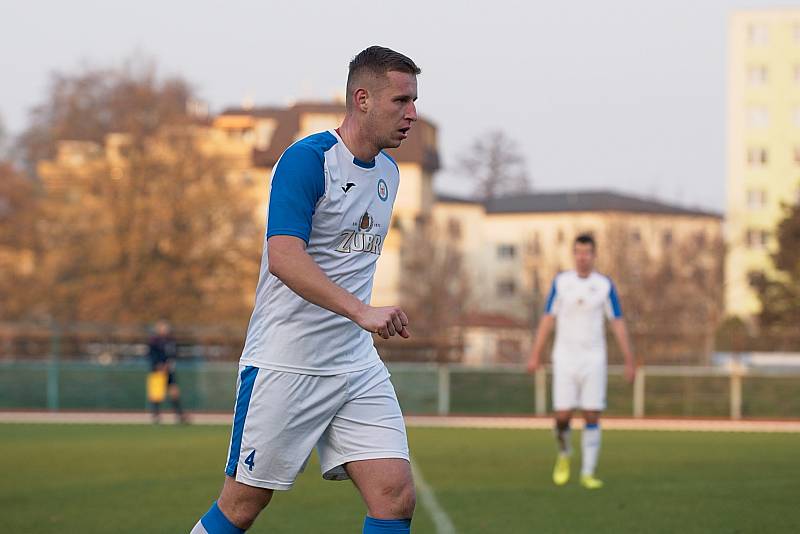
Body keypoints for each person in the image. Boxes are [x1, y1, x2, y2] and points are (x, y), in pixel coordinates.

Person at [190, 46, 420, 534]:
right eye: (401, 101)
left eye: (413, 101)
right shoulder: (306, 161)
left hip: (355, 364)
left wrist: (364, 320)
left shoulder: (389, 174)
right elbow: (285, 259)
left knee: (394, 496)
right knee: (241, 507)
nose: (412, 115)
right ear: (362, 99)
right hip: (285, 363)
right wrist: (362, 311)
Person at [527, 233, 636, 489]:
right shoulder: (561, 282)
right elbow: (547, 319)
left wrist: (629, 359)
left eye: (587, 252)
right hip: (564, 357)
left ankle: (588, 472)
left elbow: (618, 322)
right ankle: (564, 454)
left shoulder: (604, 285)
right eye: (578, 252)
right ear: (574, 254)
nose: (582, 257)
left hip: (594, 358)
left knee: (591, 413)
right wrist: (535, 353)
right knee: (563, 415)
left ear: (594, 255)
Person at [147, 320, 187, 424]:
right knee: (157, 394)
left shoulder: (171, 341)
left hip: (169, 371)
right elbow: (151, 355)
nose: (165, 330)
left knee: (174, 392)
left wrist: (169, 364)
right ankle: (156, 415)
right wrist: (159, 365)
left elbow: (174, 354)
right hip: (157, 371)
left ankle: (179, 415)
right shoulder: (154, 341)